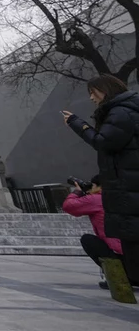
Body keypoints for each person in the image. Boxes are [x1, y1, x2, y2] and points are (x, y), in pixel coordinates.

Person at [64, 73, 139, 286]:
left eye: (92, 93)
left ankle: (131, 276)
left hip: (127, 185)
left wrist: (77, 124)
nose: (91, 98)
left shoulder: (121, 112)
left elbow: (104, 142)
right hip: (127, 184)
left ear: (104, 90)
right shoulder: (127, 110)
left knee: (132, 237)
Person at [62, 175, 124, 289]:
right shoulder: (122, 197)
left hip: (119, 253)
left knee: (88, 240)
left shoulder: (98, 199)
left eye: (93, 185)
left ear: (100, 187)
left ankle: (118, 275)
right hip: (132, 252)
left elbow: (69, 206)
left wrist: (77, 192)